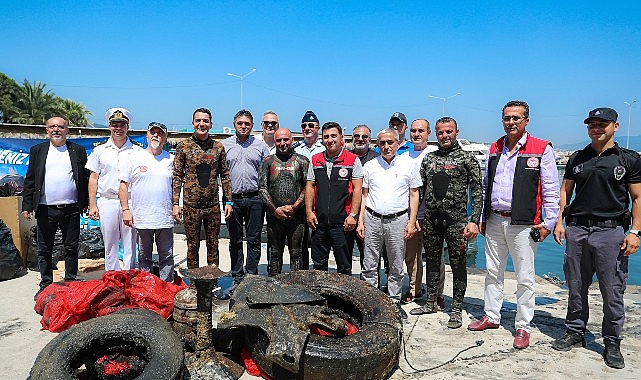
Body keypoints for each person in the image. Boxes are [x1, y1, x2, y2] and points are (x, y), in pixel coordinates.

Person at [551, 107, 641, 369]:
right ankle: (575, 331)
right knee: (575, 284)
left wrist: (635, 232)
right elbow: (565, 191)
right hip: (577, 230)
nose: (596, 128)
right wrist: (559, 221)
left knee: (612, 289)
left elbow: (637, 198)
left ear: (615, 126)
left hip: (611, 232)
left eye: (603, 124)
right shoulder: (578, 158)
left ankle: (612, 342)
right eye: (592, 124)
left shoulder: (629, 159)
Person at [468, 100, 560, 350]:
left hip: (524, 223)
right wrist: (482, 217)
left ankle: (522, 326)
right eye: (507, 118)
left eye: (516, 118)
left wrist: (548, 223)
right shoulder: (495, 147)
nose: (511, 122)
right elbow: (487, 185)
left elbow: (551, 190)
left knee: (525, 277)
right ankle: (492, 316)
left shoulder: (541, 149)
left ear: (526, 121)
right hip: (495, 219)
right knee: (492, 271)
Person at [409, 117, 482, 329]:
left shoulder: (467, 159)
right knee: (432, 261)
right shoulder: (429, 159)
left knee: (458, 265)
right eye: (441, 132)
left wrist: (474, 221)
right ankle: (431, 301)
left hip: (457, 221)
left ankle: (457, 308)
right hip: (432, 220)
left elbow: (477, 191)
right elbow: (420, 191)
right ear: (436, 134)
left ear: (456, 131)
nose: (445, 136)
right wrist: (415, 219)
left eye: (449, 131)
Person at [22, 117, 89, 300]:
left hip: (72, 208)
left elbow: (84, 178)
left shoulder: (77, 150)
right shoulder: (38, 151)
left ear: (67, 130)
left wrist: (89, 203)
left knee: (71, 248)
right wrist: (27, 205)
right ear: (47, 130)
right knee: (44, 249)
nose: (56, 130)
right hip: (45, 209)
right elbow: (30, 180)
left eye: (60, 126)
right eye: (52, 127)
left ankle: (70, 282)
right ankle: (45, 284)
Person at [357, 128, 421, 319]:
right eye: (382, 143)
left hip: (398, 219)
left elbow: (414, 194)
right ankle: (370, 302)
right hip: (372, 218)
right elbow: (364, 195)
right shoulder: (370, 165)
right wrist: (360, 220)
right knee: (369, 264)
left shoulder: (408, 165)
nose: (386, 147)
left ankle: (393, 302)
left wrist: (411, 221)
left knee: (396, 264)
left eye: (390, 142)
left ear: (397, 143)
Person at [172, 108, 233, 282]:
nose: (202, 124)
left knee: (213, 245)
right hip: (191, 206)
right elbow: (177, 175)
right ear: (193, 123)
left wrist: (229, 201)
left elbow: (225, 175)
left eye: (205, 121)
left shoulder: (218, 147)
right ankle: (193, 282)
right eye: (198, 120)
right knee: (192, 246)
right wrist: (175, 203)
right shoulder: (184, 146)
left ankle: (211, 281)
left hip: (212, 206)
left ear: (211, 124)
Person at [86, 108, 142, 271]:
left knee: (130, 242)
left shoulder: (137, 151)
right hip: (107, 200)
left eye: (122, 125)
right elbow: (93, 178)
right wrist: (92, 204)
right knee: (109, 242)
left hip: (130, 201)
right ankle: (111, 276)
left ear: (127, 126)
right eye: (114, 125)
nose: (118, 128)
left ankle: (129, 275)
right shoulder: (99, 150)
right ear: (109, 126)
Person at [118, 122, 175, 282]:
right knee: (144, 257)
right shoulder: (134, 157)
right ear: (147, 136)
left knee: (167, 256)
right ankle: (146, 287)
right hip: (142, 218)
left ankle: (167, 287)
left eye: (160, 133)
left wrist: (178, 206)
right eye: (153, 132)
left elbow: (177, 187)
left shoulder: (171, 159)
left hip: (164, 217)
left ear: (165, 138)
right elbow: (123, 185)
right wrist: (125, 210)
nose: (156, 135)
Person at [305, 121, 362, 276]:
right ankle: (321, 297)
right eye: (326, 137)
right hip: (319, 223)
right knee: (319, 264)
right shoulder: (315, 160)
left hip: (343, 223)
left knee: (344, 266)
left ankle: (342, 299)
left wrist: (353, 216)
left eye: (333, 136)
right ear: (322, 139)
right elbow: (310, 186)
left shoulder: (352, 160)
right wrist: (309, 212)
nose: (330, 140)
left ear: (341, 137)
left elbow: (358, 189)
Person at [222, 109, 270, 289]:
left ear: (252, 125)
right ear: (234, 124)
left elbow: (266, 173)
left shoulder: (260, 146)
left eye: (247, 124)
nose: (243, 126)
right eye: (240, 123)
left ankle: (251, 275)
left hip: (255, 198)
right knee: (235, 239)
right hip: (231, 199)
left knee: (254, 239)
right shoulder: (224, 145)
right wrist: (227, 200)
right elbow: (220, 173)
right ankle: (237, 276)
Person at [258, 128, 309, 275]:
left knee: (296, 253)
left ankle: (296, 286)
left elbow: (308, 188)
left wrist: (295, 207)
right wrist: (275, 209)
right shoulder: (268, 162)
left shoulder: (302, 161)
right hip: (275, 217)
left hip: (297, 217)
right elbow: (262, 188)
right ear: (275, 142)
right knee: (275, 252)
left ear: (292, 140)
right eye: (279, 140)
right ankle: (274, 284)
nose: (282, 143)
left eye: (285, 139)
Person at [402, 119, 438, 305]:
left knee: (435, 256)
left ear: (428, 133)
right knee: (411, 255)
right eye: (414, 131)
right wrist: (412, 217)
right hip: (410, 215)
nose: (417, 134)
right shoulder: (404, 157)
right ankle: (414, 289)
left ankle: (436, 294)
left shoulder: (434, 154)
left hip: (432, 215)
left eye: (421, 131)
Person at [346, 125, 379, 270]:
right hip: (347, 213)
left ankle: (370, 286)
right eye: (357, 136)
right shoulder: (346, 157)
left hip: (369, 215)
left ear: (369, 139)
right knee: (344, 253)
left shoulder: (377, 159)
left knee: (369, 256)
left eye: (364, 136)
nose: (360, 139)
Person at [295, 110, 325, 269]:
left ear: (317, 128)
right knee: (300, 242)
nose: (307, 128)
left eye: (311, 125)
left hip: (319, 201)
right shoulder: (296, 149)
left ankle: (318, 271)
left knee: (319, 241)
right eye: (304, 125)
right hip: (300, 201)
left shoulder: (324, 148)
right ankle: (304, 272)